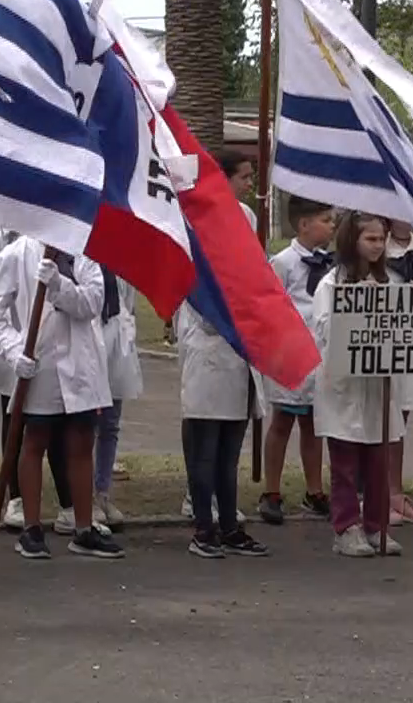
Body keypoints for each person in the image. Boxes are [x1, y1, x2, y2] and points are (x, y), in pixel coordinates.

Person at [0, 237, 123, 561]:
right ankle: (31, 529)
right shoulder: (14, 255)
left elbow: (92, 303)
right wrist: (14, 351)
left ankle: (83, 529)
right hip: (40, 361)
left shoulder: (85, 253)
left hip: (81, 361)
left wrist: (59, 284)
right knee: (35, 439)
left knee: (81, 442)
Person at [311, 212, 409, 558]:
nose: (378, 246)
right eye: (370, 239)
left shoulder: (392, 283)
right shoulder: (331, 284)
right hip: (344, 389)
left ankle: (376, 525)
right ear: (353, 240)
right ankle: (346, 527)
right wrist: (357, 307)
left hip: (378, 387)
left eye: (381, 239)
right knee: (346, 464)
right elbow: (323, 331)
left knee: (378, 462)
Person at [259, 196, 332, 524]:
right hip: (290, 352)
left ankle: (314, 489)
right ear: (304, 225)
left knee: (314, 425)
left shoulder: (331, 264)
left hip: (320, 352)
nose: (332, 226)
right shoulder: (283, 262)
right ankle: (271, 490)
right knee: (283, 421)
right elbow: (272, 305)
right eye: (325, 221)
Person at [176, 300, 268, 559]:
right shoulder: (199, 277)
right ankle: (204, 529)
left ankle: (229, 528)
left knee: (228, 462)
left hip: (238, 373)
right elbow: (210, 320)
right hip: (207, 373)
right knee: (203, 459)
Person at [382, 218, 413, 526]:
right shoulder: (374, 246)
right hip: (381, 344)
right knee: (383, 418)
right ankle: (380, 492)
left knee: (402, 419)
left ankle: (395, 491)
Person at [92, 270, 140, 531]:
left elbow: (128, 301)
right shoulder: (81, 251)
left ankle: (102, 491)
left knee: (110, 425)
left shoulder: (120, 259)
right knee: (86, 424)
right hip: (89, 339)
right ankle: (84, 496)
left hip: (116, 345)